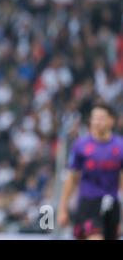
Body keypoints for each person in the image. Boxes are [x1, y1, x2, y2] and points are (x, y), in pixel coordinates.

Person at [57, 103, 123, 240]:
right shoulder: (81, 146)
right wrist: (63, 208)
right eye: (95, 118)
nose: (97, 122)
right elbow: (72, 178)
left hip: (112, 204)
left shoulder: (120, 146)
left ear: (111, 120)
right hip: (88, 204)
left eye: (101, 118)